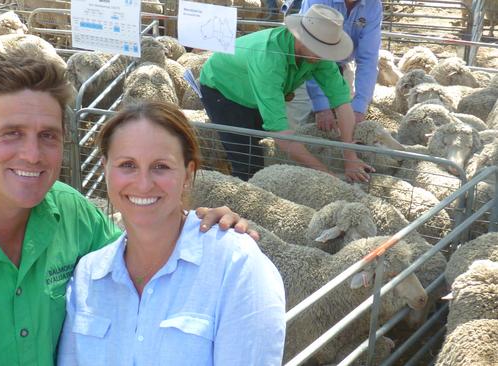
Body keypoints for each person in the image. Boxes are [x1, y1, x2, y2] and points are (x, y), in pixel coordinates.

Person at [0, 48, 252, 365]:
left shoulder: (74, 216)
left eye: (48, 136)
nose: (32, 154)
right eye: (12, 134)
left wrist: (195, 223)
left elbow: (139, 265)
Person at [57, 101, 286, 365]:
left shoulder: (235, 264)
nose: (143, 184)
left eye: (161, 166)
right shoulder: (87, 277)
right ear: (105, 168)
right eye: (127, 165)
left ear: (188, 174)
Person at [199, 4, 374, 182]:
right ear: (302, 37)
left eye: (325, 50)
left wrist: (350, 157)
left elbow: (342, 103)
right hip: (223, 89)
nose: (322, 56)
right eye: (318, 49)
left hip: (257, 92)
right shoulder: (269, 58)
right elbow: (279, 132)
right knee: (248, 162)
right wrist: (325, 174)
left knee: (262, 149)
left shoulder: (319, 54)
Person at [294, 0, 382, 129]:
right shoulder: (317, 1)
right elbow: (309, 49)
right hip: (304, 67)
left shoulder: (372, 5)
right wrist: (321, 104)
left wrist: (359, 106)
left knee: (344, 126)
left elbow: (368, 58)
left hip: (341, 67)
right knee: (298, 126)